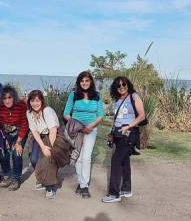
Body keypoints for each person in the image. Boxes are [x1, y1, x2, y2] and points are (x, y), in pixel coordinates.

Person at [102, 76, 145, 203]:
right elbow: (117, 118)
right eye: (118, 85)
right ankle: (126, 189)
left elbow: (142, 116)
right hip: (118, 133)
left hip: (129, 133)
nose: (121, 87)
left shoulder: (134, 97)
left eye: (124, 84)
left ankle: (114, 193)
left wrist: (129, 126)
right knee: (124, 160)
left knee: (116, 160)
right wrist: (112, 132)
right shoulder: (117, 100)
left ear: (128, 85)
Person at [63, 71, 104, 199]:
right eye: (82, 81)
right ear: (79, 82)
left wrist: (90, 126)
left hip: (91, 130)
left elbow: (100, 115)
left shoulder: (97, 96)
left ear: (91, 81)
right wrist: (77, 126)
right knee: (78, 157)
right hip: (76, 131)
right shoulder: (74, 95)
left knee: (86, 157)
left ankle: (84, 185)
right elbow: (66, 113)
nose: (84, 83)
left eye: (87, 80)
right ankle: (82, 183)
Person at [26, 90, 60, 198]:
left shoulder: (47, 111)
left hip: (51, 135)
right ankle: (41, 177)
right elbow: (34, 131)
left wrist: (49, 148)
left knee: (48, 159)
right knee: (34, 158)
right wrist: (42, 146)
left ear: (42, 100)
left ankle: (50, 187)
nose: (35, 103)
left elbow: (53, 130)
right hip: (39, 137)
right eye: (32, 101)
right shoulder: (29, 112)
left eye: (37, 100)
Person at [0, 85, 29, 191]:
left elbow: (25, 124)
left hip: (20, 131)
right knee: (3, 153)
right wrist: (4, 139)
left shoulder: (21, 105)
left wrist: (18, 142)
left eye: (9, 97)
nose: (7, 100)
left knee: (16, 154)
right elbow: (0, 122)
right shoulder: (0, 106)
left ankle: (16, 179)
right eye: (5, 98)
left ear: (14, 97)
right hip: (6, 132)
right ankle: (7, 177)